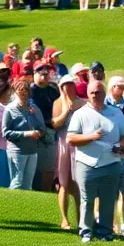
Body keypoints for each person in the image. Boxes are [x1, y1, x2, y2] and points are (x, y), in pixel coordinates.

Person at [67, 78, 124, 242]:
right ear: (88, 95)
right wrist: (91, 137)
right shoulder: (80, 114)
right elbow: (71, 138)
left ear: (105, 93)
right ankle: (86, 231)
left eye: (98, 92)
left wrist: (121, 146)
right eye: (92, 93)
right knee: (87, 200)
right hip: (86, 163)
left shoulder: (115, 112)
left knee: (108, 200)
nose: (95, 95)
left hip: (111, 163)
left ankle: (105, 232)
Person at [50, 75, 83, 230]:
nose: (68, 88)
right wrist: (66, 109)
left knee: (78, 184)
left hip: (79, 145)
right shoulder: (57, 103)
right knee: (63, 183)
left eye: (70, 84)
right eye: (65, 85)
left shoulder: (83, 103)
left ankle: (81, 219)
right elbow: (56, 124)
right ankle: (64, 219)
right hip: (64, 145)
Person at [2, 78, 47, 190]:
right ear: (14, 91)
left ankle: (25, 206)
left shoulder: (34, 108)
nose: (23, 92)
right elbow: (6, 133)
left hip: (32, 151)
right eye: (19, 90)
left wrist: (36, 127)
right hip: (17, 152)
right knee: (17, 183)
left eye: (25, 90)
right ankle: (12, 206)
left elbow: (42, 128)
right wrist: (26, 134)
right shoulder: (9, 109)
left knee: (27, 185)